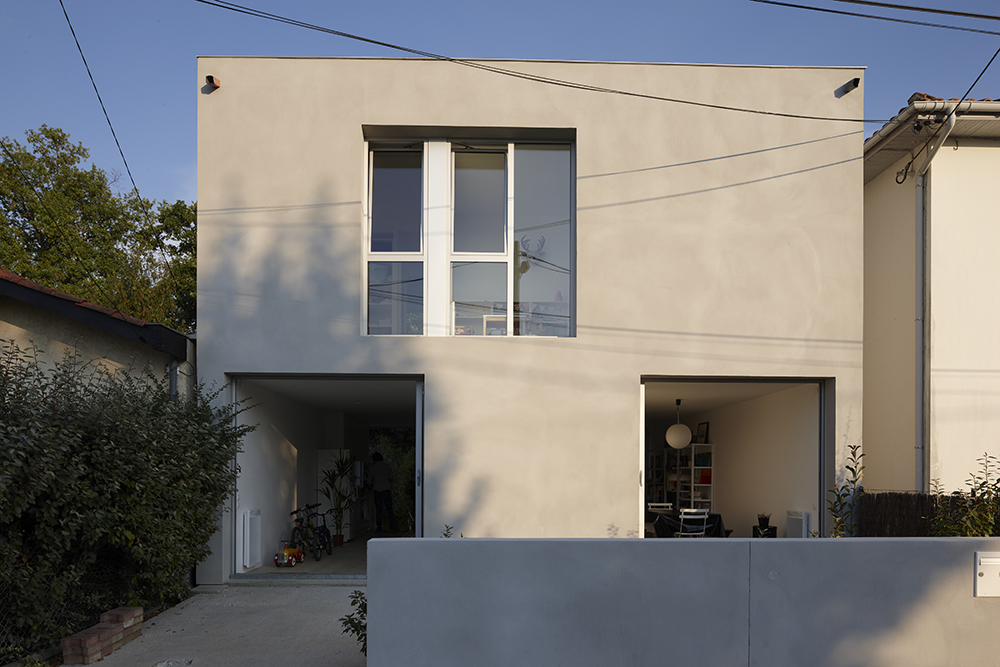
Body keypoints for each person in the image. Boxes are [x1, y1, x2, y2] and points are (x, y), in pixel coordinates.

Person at [367, 452, 398, 533]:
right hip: (386, 489)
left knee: (378, 510)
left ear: (374, 459)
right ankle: (392, 526)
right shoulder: (386, 467)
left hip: (377, 490)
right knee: (389, 509)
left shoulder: (372, 468)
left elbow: (369, 481)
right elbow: (391, 477)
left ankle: (379, 527)